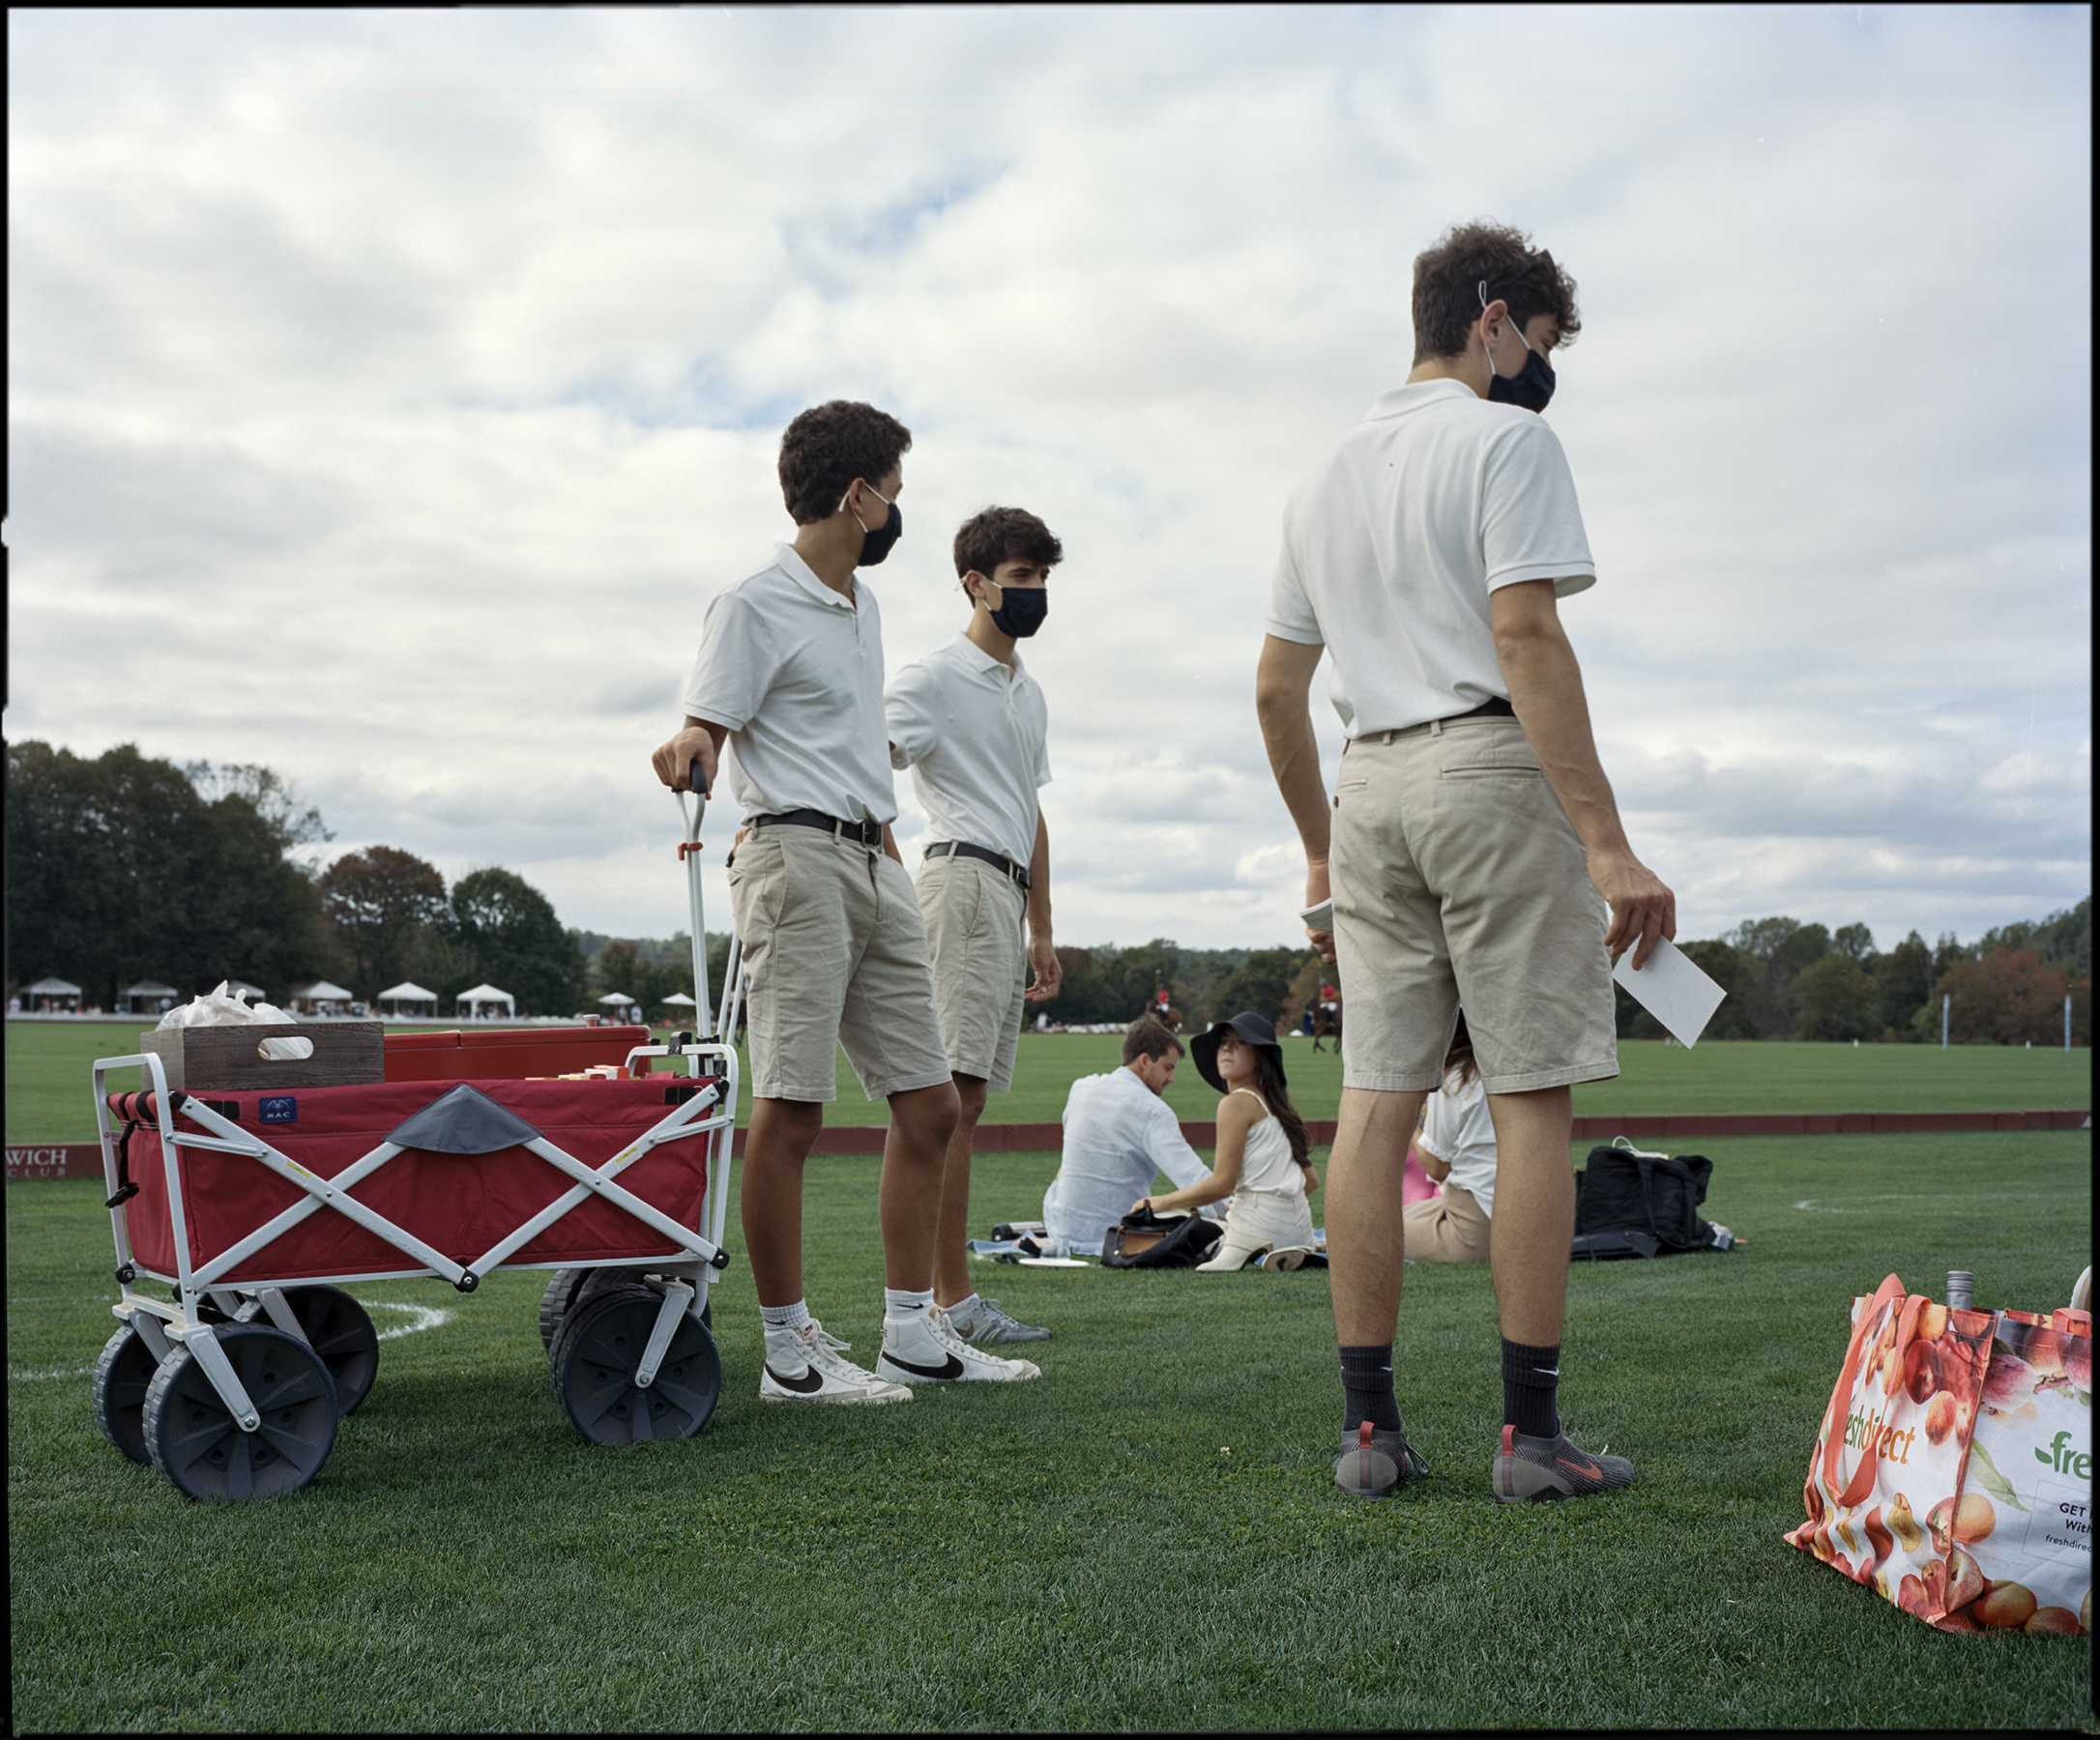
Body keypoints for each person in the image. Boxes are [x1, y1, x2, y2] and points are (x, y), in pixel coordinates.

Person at [1255, 221, 1676, 1503]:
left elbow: (1278, 690)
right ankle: (1530, 1439)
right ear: (1493, 319)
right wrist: (1607, 843)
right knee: (1530, 1095)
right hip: (1488, 766)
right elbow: (1526, 634)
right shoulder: (1509, 441)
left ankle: (1369, 1434)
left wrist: (1319, 851)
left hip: (1367, 777)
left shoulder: (1322, 475)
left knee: (1377, 1106)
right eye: (1536, 346)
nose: (1538, 373)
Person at [652, 399, 1039, 1405]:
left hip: (876, 865)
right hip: (791, 860)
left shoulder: (861, 610)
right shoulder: (751, 602)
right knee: (790, 1110)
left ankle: (913, 1334)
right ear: (857, 495)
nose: (898, 513)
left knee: (931, 1104)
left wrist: (885, 848)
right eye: (895, 494)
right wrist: (689, 748)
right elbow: (706, 725)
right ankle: (789, 1353)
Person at [886, 506, 1065, 1345]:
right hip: (955, 884)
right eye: (1022, 578)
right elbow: (858, 759)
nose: (1034, 593)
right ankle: (942, 1306)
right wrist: (882, 870)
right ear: (976, 582)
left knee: (972, 1104)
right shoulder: (931, 678)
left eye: (1042, 579)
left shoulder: (1026, 691)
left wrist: (1043, 928)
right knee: (945, 1104)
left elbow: (1029, 811)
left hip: (1005, 895)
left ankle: (946, 1303)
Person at [1133, 1012, 1322, 1273]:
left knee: (1162, 1218)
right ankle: (1283, 1248)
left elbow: (1222, 1184)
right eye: (1223, 1041)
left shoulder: (1234, 1104)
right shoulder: (1281, 1108)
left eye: (1240, 1042)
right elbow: (1311, 1181)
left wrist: (1161, 1202)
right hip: (1299, 1232)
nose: (1227, 1047)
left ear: (1260, 1057)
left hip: (1252, 1229)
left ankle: (1245, 1245)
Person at [1041, 1016, 1213, 1254]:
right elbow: (1192, 1177)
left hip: (1059, 1228)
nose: (1171, 1078)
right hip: (1117, 1237)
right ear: (1145, 1060)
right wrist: (1235, 1214)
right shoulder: (1152, 1110)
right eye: (1168, 1067)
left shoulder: (1081, 1088)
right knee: (1192, 1219)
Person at [1404, 1013, 1494, 1263]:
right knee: (1402, 1217)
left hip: (1476, 1224)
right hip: (1517, 1211)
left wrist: (1413, 1125)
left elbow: (1437, 1167)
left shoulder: (1455, 1079)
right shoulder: (1502, 1068)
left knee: (1377, 1232)